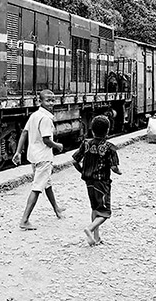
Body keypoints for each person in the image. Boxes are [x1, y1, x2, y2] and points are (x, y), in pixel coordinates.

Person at [12, 90, 65, 230]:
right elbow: (46, 140)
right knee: (37, 188)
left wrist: (18, 152)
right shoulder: (46, 119)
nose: (51, 103)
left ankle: (56, 209)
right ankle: (24, 220)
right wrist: (58, 146)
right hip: (43, 157)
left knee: (47, 183)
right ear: (40, 101)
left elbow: (24, 133)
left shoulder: (35, 115)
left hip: (34, 157)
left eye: (53, 100)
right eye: (48, 100)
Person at [72, 115, 122, 246]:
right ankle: (90, 228)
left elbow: (74, 161)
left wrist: (82, 171)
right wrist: (119, 172)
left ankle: (96, 237)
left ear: (92, 130)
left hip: (89, 181)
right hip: (102, 182)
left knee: (94, 208)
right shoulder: (110, 147)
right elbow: (114, 167)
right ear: (108, 130)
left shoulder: (86, 143)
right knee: (105, 212)